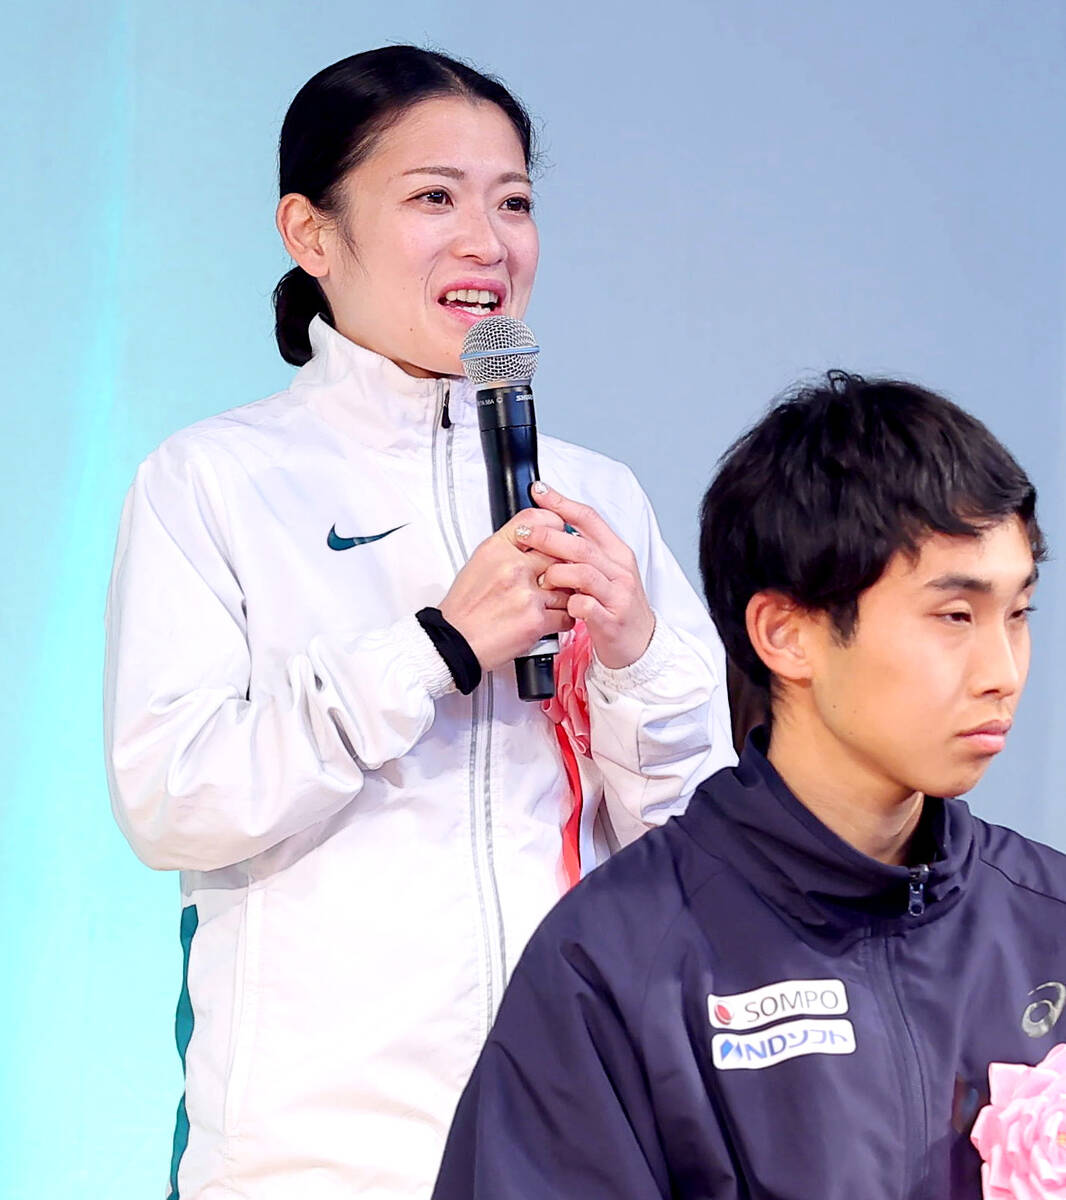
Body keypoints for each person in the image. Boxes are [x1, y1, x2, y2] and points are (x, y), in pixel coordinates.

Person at [103, 45, 734, 1200]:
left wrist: (638, 658)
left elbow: (700, 853)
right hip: (319, 1161)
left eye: (514, 202)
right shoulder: (215, 481)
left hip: (578, 1146)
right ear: (311, 233)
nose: (487, 242)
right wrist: (435, 647)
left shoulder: (599, 495)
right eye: (434, 197)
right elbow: (175, 795)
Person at [432, 372, 1066, 1199]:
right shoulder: (615, 963)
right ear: (786, 633)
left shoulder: (1048, 920)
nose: (1002, 672)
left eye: (1017, 614)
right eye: (955, 617)